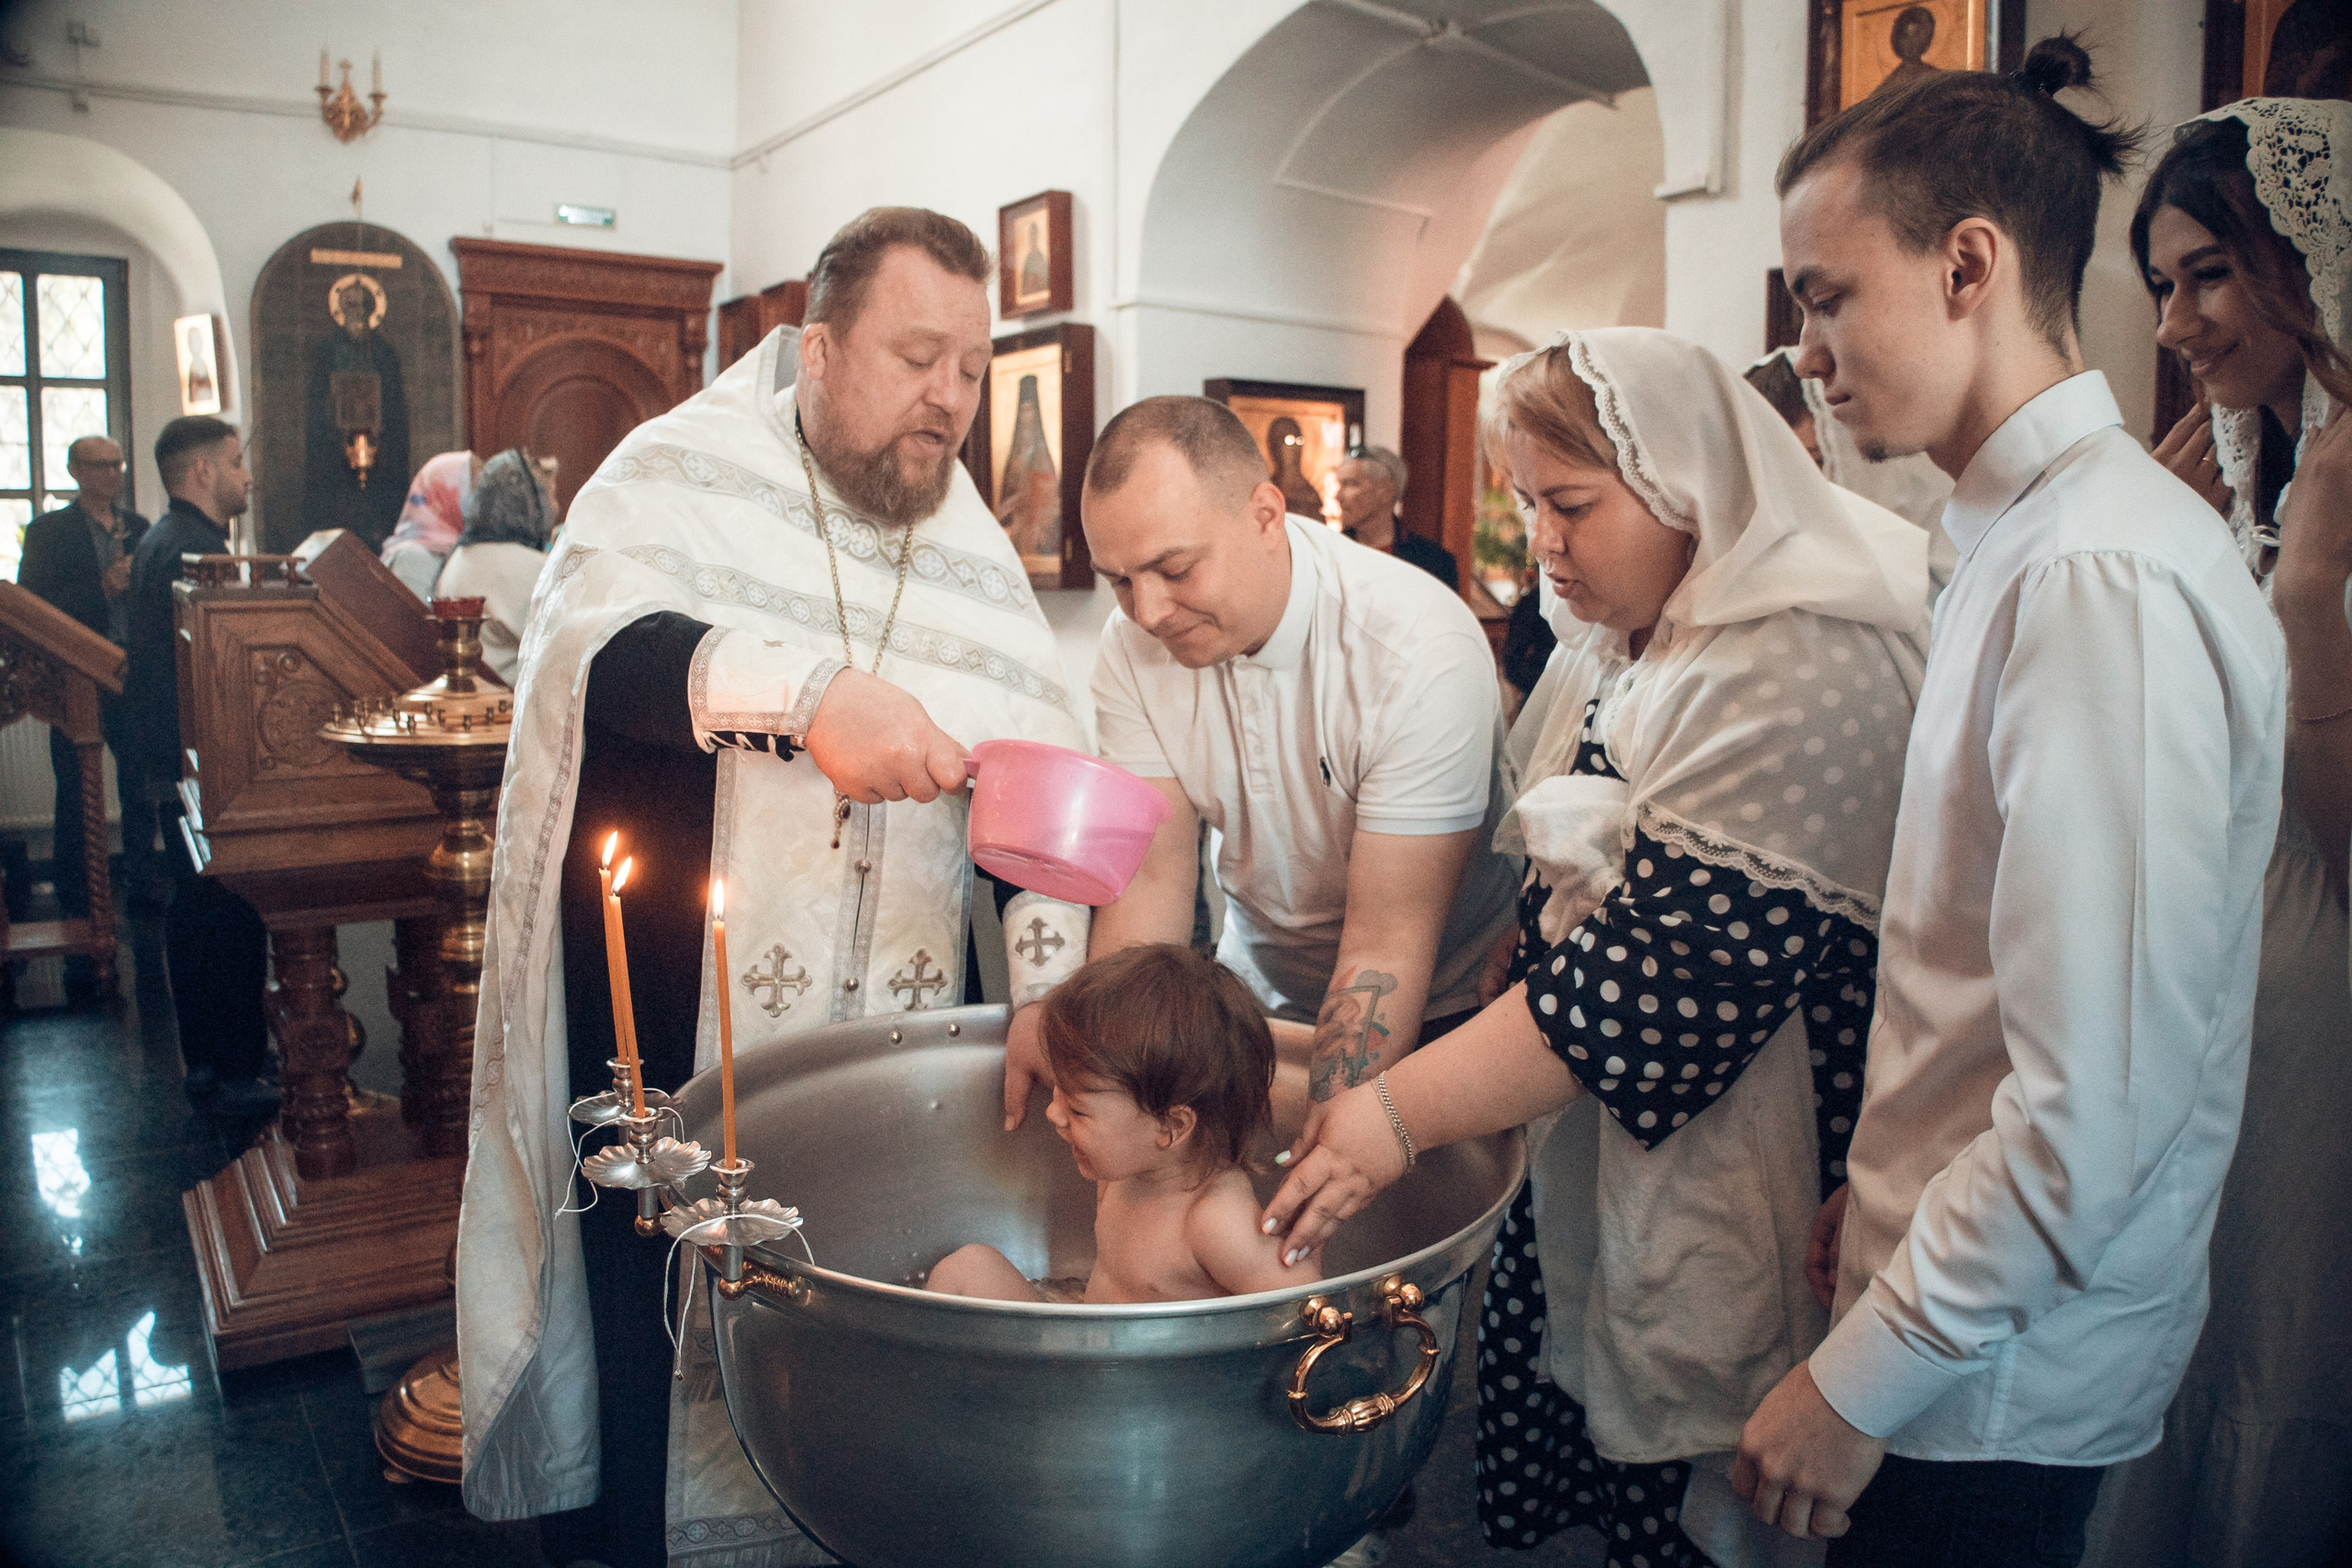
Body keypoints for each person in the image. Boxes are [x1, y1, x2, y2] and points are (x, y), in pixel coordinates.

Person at [458, 208, 1092, 1568]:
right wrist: (811, 700)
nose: (950, 397)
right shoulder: (676, 473)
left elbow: (1041, 781)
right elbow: (589, 655)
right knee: (666, 1328)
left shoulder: (975, 553)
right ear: (815, 348)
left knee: (872, 1371)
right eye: (918, 355)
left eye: (974, 370)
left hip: (897, 1076)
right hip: (693, 1029)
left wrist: (1047, 995)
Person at [1730, 38, 2284, 1565]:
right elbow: (1981, 972)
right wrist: (1883, 1187)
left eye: (1828, 295)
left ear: (1967, 261)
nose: (1809, 349)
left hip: (1996, 1369)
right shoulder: (2025, 537)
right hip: (1962, 1297)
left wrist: (1869, 1368)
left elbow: (2095, 1099)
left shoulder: (2099, 570)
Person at [1261, 325, 1930, 1568]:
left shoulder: (1804, 657)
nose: (1543, 544)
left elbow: (1654, 988)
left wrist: (1391, 1113)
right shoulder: (1614, 641)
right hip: (1598, 1127)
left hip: (1751, 1138)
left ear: (1687, 483)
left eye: (1572, 505)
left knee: (1717, 1473)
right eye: (1525, 504)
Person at [2083, 99, 2352, 1568]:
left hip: (2324, 1006)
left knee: (2285, 1346)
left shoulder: (2328, 506)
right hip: (2215, 988)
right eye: (2163, 283)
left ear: (2311, 256)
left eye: (2210, 274)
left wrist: (2308, 599)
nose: (2177, 322)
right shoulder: (2233, 475)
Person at [1001, 395, 1520, 1131]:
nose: (1146, 611)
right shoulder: (1134, 647)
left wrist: (1329, 1149)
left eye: (1173, 568)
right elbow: (1151, 883)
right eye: (1120, 579)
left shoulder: (1417, 650)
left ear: (1266, 515)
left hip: (1437, 1004)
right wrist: (1111, 1086)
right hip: (1254, 990)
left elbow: (1386, 946)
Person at [928, 943, 1308, 1303]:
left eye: (1077, 1109)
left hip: (1153, 1374)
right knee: (966, 1268)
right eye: (1059, 1091)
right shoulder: (1123, 1173)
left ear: (1170, 1127)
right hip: (1085, 1351)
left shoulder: (1215, 1220)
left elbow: (1308, 1307)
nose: (1053, 1113)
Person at [121, 417, 274, 1113]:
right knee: (228, 910)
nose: (247, 475)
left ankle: (210, 1061)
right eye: (237, 462)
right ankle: (239, 1067)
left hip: (174, 758)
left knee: (194, 906)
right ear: (203, 473)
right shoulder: (199, 554)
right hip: (207, 761)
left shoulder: (162, 540)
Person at [17, 434, 154, 954]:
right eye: (99, 466)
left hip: (129, 670)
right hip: (75, 678)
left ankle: (143, 883)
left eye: (117, 464)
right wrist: (103, 587)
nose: (111, 474)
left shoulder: (139, 529)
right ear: (75, 470)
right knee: (74, 784)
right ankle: (76, 894)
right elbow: (34, 606)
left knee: (140, 780)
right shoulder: (49, 533)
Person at [434, 449, 557, 683]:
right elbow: (564, 651)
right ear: (529, 504)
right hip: (507, 708)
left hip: (461, 696)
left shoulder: (456, 558)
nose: (554, 507)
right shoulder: (531, 567)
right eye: (547, 496)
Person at [1337, 446, 1459, 589]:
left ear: (1386, 491)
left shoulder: (1433, 562)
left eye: (1351, 484)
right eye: (1340, 484)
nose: (1338, 496)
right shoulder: (1330, 554)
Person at [379, 449, 480, 601]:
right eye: (476, 487)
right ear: (449, 495)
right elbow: (410, 622)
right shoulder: (414, 558)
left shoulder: (447, 550)